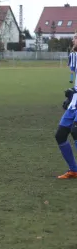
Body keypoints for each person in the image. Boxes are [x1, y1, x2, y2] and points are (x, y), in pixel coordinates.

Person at [56, 35, 77, 179]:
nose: (73, 40)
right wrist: (72, 95)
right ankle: (74, 170)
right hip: (75, 102)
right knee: (60, 135)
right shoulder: (75, 56)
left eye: (76, 37)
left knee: (76, 131)